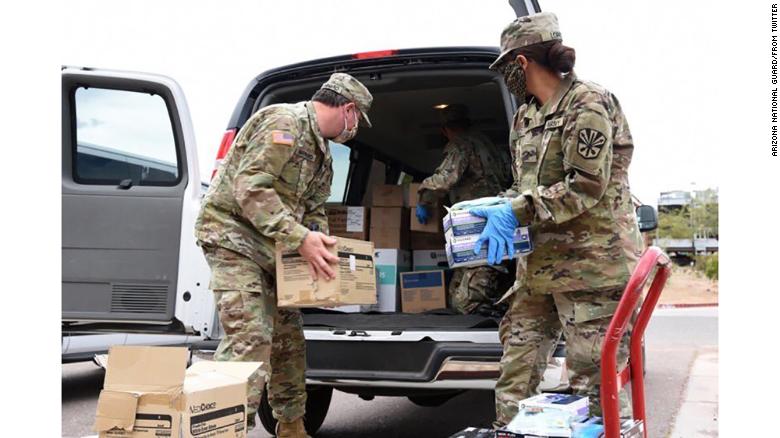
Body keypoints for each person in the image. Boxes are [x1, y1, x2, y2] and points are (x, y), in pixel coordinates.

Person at [469, 12, 644, 427]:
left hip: (591, 271)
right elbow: (524, 185)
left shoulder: (589, 102)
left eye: (505, 66)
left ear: (522, 62)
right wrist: (490, 209)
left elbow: (585, 186)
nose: (506, 75)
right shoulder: (524, 117)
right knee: (516, 374)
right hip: (538, 270)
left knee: (593, 383)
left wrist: (516, 210)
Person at [194, 73, 372, 437]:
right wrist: (300, 238)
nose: (355, 129)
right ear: (349, 109)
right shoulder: (284, 121)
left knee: (290, 343)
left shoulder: (324, 155)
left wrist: (321, 254)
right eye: (358, 120)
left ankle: (291, 427)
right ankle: (220, 430)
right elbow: (250, 186)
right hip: (234, 240)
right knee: (251, 339)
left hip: (275, 250)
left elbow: (314, 209)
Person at [415, 104, 512, 315]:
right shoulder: (493, 148)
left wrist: (423, 198)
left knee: (468, 305)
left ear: (445, 130)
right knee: (463, 288)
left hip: (475, 226)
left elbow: (443, 180)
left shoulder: (461, 145)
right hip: (497, 224)